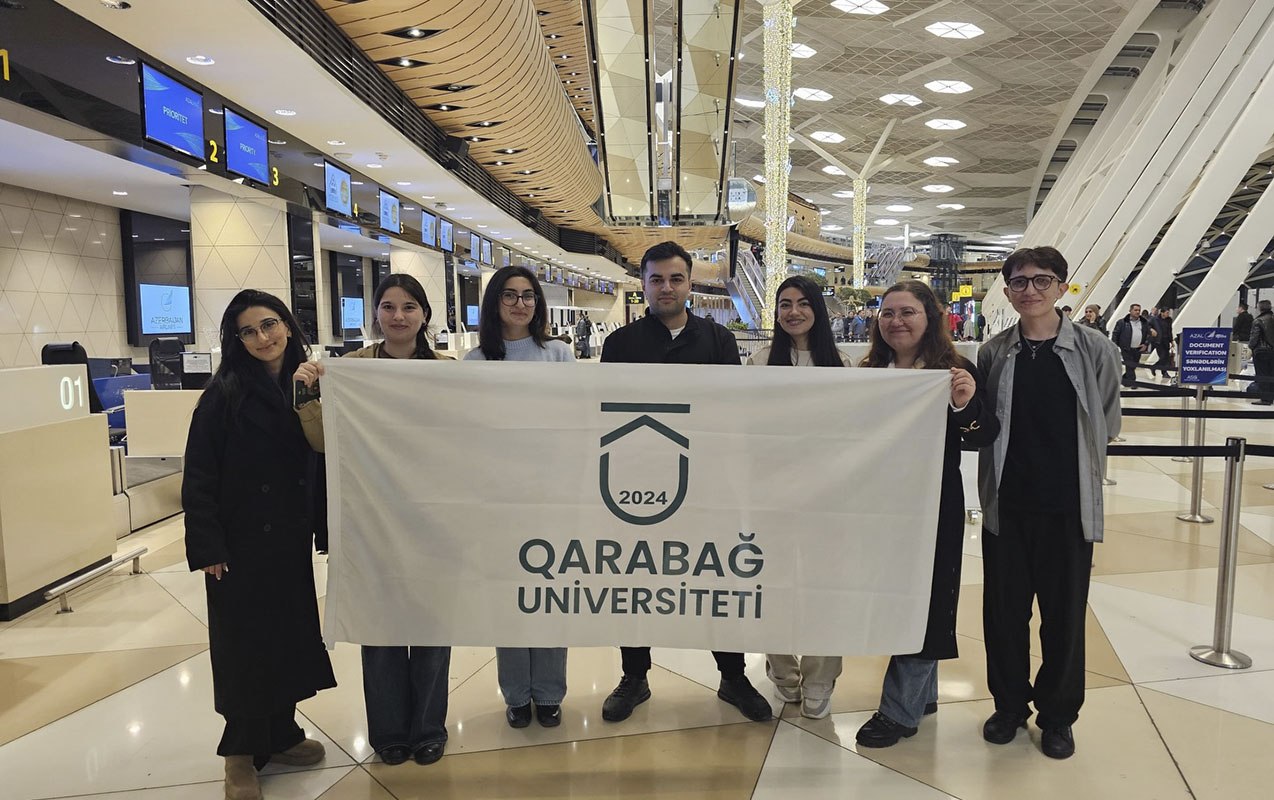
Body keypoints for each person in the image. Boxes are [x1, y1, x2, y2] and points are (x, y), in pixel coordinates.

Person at [599, 240, 772, 724]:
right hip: (636, 482)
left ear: (690, 284)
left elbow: (732, 411)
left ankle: (733, 675)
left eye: (676, 279)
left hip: (707, 482)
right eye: (657, 279)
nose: (667, 288)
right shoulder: (621, 345)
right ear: (643, 284)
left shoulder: (717, 341)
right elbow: (605, 412)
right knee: (634, 579)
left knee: (715, 577)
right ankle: (634, 676)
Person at [293, 274, 453, 768]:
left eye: (409, 306)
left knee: (431, 627)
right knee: (380, 628)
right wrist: (306, 394)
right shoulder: (349, 370)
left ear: (425, 314)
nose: (398, 316)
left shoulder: (447, 372)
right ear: (376, 314)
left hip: (432, 521)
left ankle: (428, 728)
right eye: (388, 306)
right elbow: (324, 442)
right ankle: (389, 733)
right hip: (370, 520)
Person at [183, 290, 336, 800]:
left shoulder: (309, 382)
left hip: (288, 537)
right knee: (245, 647)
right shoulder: (223, 394)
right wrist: (208, 545)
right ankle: (240, 754)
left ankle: (281, 733)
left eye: (269, 325)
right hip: (240, 543)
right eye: (248, 331)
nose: (262, 338)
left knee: (287, 636)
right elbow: (199, 474)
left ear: (288, 325)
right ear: (237, 340)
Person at [977, 246, 1121, 760]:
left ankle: (1058, 716)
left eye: (1042, 280)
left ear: (1062, 287)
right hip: (1008, 506)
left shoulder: (1094, 349)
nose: (1030, 290)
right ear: (1007, 290)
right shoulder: (995, 353)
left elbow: (1107, 419)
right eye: (1019, 282)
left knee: (1064, 618)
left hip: (1067, 508)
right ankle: (1009, 705)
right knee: (1004, 615)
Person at [852, 280, 1000, 747]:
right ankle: (922, 693)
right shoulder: (870, 371)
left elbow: (983, 434)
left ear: (930, 318)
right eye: (888, 313)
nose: (896, 321)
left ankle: (898, 712)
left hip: (933, 503)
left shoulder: (953, 370)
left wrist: (964, 404)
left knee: (928, 597)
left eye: (907, 312)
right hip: (881, 505)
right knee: (898, 594)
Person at [465, 265, 573, 726]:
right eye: (509, 295)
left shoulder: (558, 354)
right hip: (498, 502)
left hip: (550, 497)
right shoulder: (475, 362)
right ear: (495, 302)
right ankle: (515, 693)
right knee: (509, 598)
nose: (520, 304)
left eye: (528, 295)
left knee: (549, 596)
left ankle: (549, 692)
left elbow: (575, 422)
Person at [746, 275, 851, 719]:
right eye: (785, 304)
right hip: (771, 496)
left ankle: (821, 677)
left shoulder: (841, 365)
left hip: (827, 499)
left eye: (803, 303)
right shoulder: (759, 363)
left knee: (825, 588)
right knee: (770, 585)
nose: (793, 312)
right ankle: (782, 670)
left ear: (817, 311)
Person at [1111, 302, 1152, 387]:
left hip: (1138, 349)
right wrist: (1115, 346)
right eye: (1135, 310)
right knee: (1129, 365)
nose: (1137, 312)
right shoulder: (1122, 322)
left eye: (1139, 310)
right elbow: (1115, 334)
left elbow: (1149, 334)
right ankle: (1133, 383)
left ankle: (1124, 380)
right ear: (1130, 310)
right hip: (1126, 348)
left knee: (1133, 366)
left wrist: (1146, 344)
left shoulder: (1144, 322)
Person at [1250, 299, 1274, 405]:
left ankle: (1265, 399)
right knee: (1271, 374)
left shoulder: (1258, 321)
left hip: (1261, 351)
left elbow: (1254, 338)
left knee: (1262, 375)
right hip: (1272, 351)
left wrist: (1251, 347)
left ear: (1260, 308)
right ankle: (1271, 397)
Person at [1151, 307, 1175, 378]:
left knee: (1166, 357)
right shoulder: (1155, 319)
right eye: (1167, 312)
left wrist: (1171, 341)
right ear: (1162, 313)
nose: (1168, 314)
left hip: (1166, 340)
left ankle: (1156, 368)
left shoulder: (1169, 320)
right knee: (1163, 356)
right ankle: (1163, 372)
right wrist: (1151, 330)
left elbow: (1170, 331)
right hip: (1158, 341)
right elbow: (1148, 326)